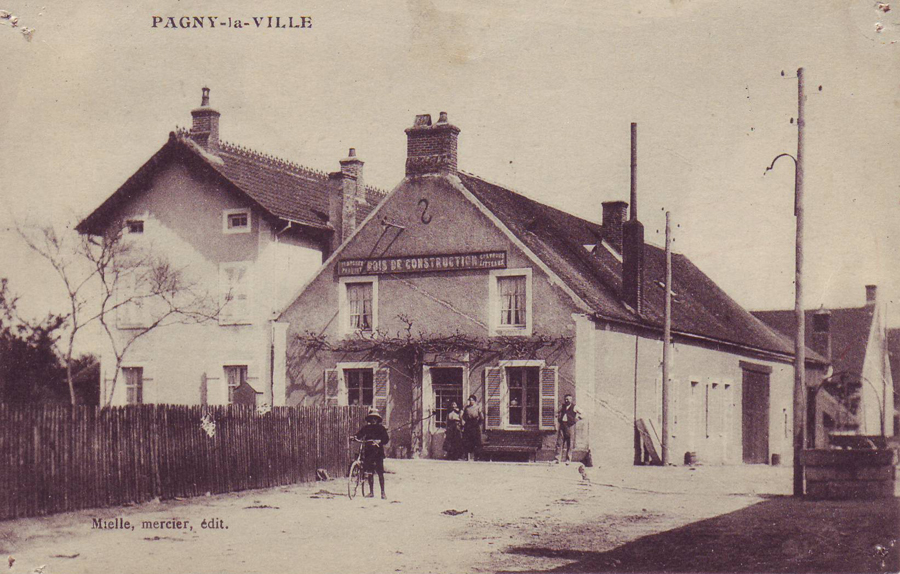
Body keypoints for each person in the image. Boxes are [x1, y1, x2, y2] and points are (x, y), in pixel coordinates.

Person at [355, 406, 390, 499]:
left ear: (378, 419)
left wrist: (379, 441)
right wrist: (354, 437)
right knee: (370, 472)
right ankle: (371, 492)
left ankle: (383, 492)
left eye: (375, 418)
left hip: (378, 453)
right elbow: (359, 434)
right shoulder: (366, 428)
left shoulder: (381, 428)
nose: (373, 420)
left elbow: (386, 439)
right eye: (371, 418)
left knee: (380, 472)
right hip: (368, 452)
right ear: (369, 419)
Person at [555, 394, 582, 464]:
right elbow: (556, 412)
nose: (567, 400)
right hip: (562, 425)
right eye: (566, 399)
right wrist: (558, 417)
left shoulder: (574, 407)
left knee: (570, 443)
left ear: (571, 399)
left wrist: (577, 419)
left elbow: (583, 413)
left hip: (570, 426)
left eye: (568, 399)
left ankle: (568, 459)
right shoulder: (562, 406)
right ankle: (557, 459)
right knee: (559, 442)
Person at [461, 394, 483, 461]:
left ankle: (477, 456)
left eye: (472, 400)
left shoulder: (478, 407)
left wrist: (478, 423)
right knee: (467, 440)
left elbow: (482, 417)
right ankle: (467, 456)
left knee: (476, 440)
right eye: (470, 400)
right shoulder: (467, 408)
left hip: (475, 424)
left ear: (475, 401)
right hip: (468, 424)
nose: (471, 401)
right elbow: (464, 417)